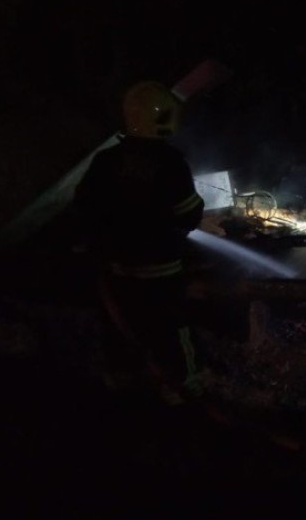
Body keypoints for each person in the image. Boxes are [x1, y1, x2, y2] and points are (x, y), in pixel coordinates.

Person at [73, 81, 205, 405]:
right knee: (169, 330)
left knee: (120, 330)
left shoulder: (105, 161)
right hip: (160, 269)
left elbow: (83, 208)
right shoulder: (170, 162)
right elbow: (189, 214)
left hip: (115, 270)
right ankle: (182, 391)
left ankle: (122, 392)